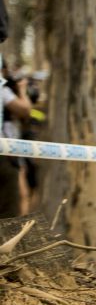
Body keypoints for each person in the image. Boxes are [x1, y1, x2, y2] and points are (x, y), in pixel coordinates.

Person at [0, 59, 32, 219]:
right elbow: (25, 110)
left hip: (9, 151)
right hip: (5, 154)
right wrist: (22, 90)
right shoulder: (3, 90)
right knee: (11, 211)